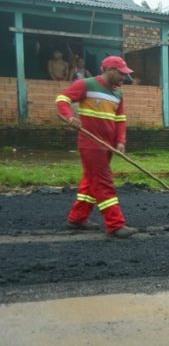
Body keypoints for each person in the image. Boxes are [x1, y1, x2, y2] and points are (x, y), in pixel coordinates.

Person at [56, 55, 138, 238]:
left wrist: (121, 142)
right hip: (91, 143)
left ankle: (77, 218)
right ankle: (116, 225)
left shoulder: (118, 93)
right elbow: (62, 99)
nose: (124, 78)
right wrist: (70, 117)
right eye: (121, 74)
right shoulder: (86, 84)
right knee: (103, 182)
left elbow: (120, 120)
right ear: (110, 71)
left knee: (90, 182)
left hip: (108, 145)